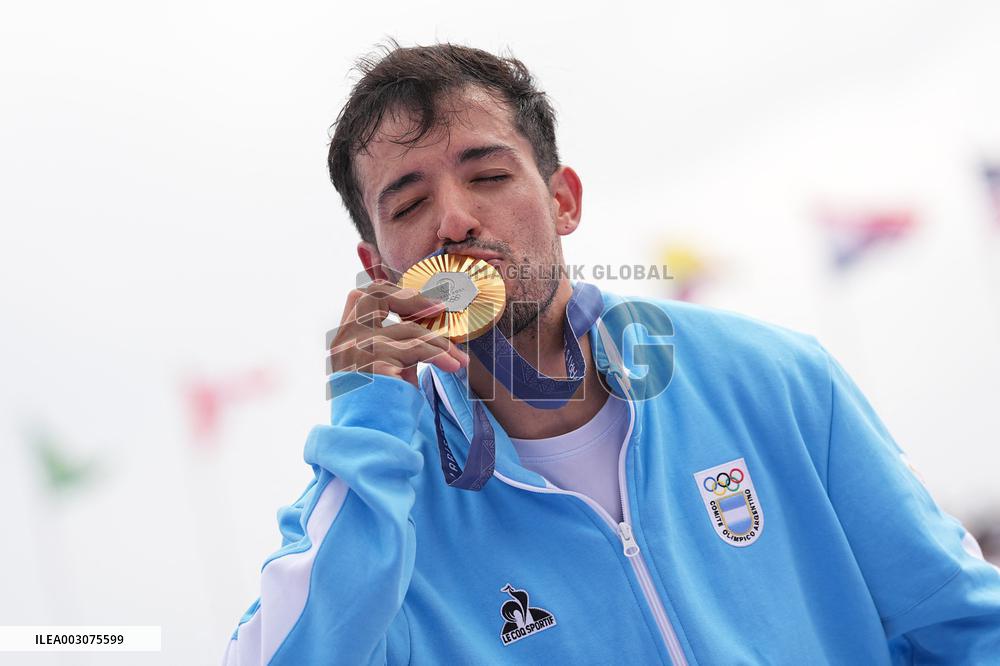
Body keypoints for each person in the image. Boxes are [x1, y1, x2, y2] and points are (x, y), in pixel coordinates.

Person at [222, 41, 1000, 665]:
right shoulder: (377, 497)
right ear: (379, 267)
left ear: (564, 202)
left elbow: (962, 624)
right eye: (411, 202)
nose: (455, 221)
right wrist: (367, 429)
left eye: (488, 175)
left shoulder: (777, 382)